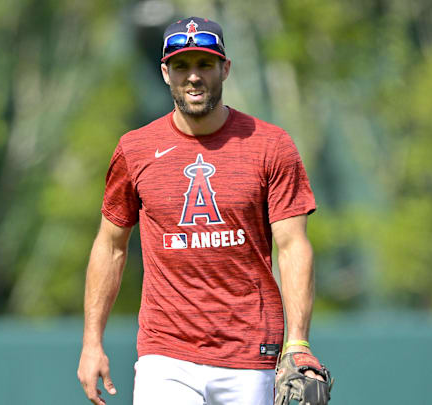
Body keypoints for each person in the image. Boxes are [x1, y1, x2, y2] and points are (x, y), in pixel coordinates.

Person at [77, 16, 322, 405]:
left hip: (250, 351)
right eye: (181, 66)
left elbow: (292, 246)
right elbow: (110, 246)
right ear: (165, 72)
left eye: (205, 65)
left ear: (225, 68)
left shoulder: (270, 145)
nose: (193, 77)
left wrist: (298, 342)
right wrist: (92, 343)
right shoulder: (136, 149)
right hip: (166, 354)